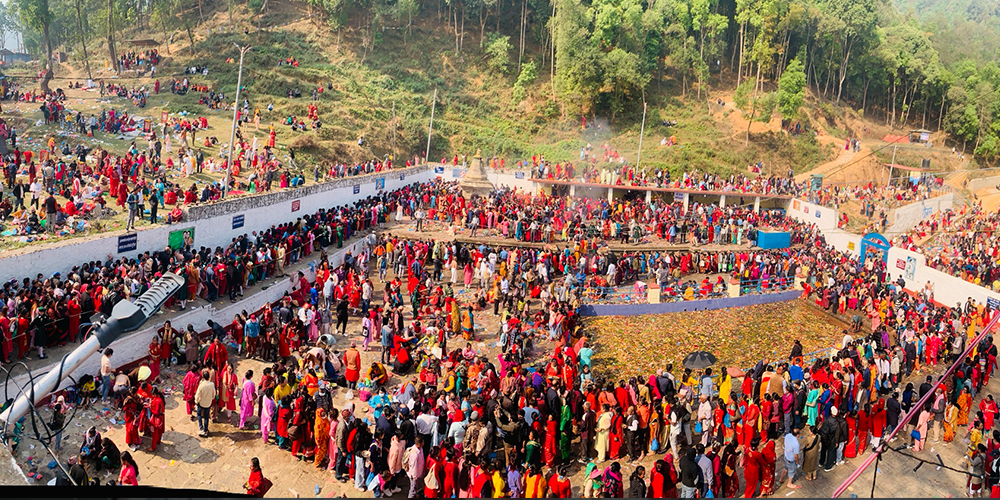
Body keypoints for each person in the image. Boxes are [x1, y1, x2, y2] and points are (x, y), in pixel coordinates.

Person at [195, 369, 217, 437]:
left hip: (201, 403)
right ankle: (206, 430)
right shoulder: (212, 384)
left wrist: (196, 401)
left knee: (199, 414)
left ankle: (201, 428)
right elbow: (214, 394)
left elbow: (197, 395)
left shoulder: (201, 385)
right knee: (206, 417)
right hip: (208, 403)